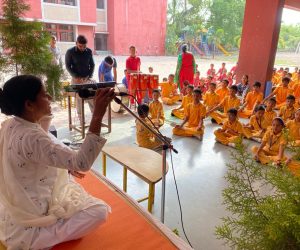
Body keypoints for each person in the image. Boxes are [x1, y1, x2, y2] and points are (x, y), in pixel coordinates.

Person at [0, 75, 114, 249]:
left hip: (18, 205)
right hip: (33, 217)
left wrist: (65, 168)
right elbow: (82, 163)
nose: (50, 98)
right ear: (29, 105)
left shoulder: (11, 123)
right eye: (45, 95)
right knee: (99, 212)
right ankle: (40, 237)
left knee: (68, 179)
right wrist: (98, 114)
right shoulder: (32, 137)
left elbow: (43, 143)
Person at [65, 35, 95, 122]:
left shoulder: (88, 51)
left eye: (84, 46)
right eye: (80, 46)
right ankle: (82, 120)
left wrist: (89, 76)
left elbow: (92, 65)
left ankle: (95, 118)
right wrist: (75, 76)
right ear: (76, 43)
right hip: (76, 80)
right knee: (79, 100)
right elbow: (67, 66)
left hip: (86, 79)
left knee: (91, 98)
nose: (82, 48)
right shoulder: (70, 52)